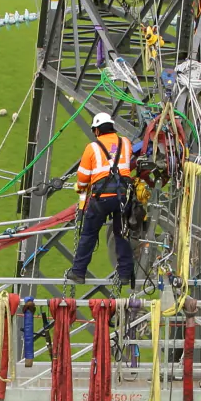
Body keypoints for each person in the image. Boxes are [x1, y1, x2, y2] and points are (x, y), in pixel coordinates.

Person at [65, 112, 136, 286]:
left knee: (89, 234)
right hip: (123, 199)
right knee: (122, 235)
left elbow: (83, 178)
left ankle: (78, 272)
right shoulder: (125, 143)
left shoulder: (92, 148)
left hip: (101, 200)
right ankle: (125, 274)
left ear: (96, 131)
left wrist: (81, 189)